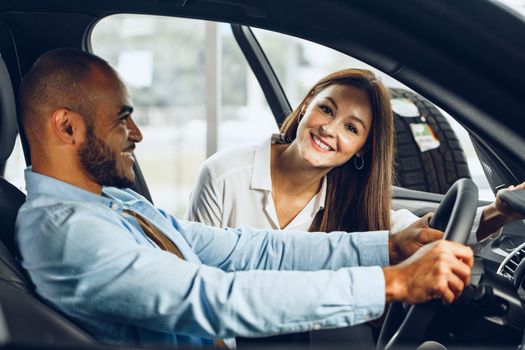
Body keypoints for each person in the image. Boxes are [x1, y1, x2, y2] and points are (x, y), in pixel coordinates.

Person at [15, 49, 474, 348]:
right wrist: (391, 283)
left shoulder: (116, 205)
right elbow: (214, 297)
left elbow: (247, 248)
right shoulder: (68, 230)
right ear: (67, 127)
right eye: (123, 118)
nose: (137, 133)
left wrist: (387, 248)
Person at [186, 68, 524, 245]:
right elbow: (190, 274)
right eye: (326, 110)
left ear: (363, 147)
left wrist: (500, 211)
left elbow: (428, 234)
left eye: (351, 128)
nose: (330, 130)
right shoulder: (223, 174)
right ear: (306, 107)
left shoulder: (354, 204)